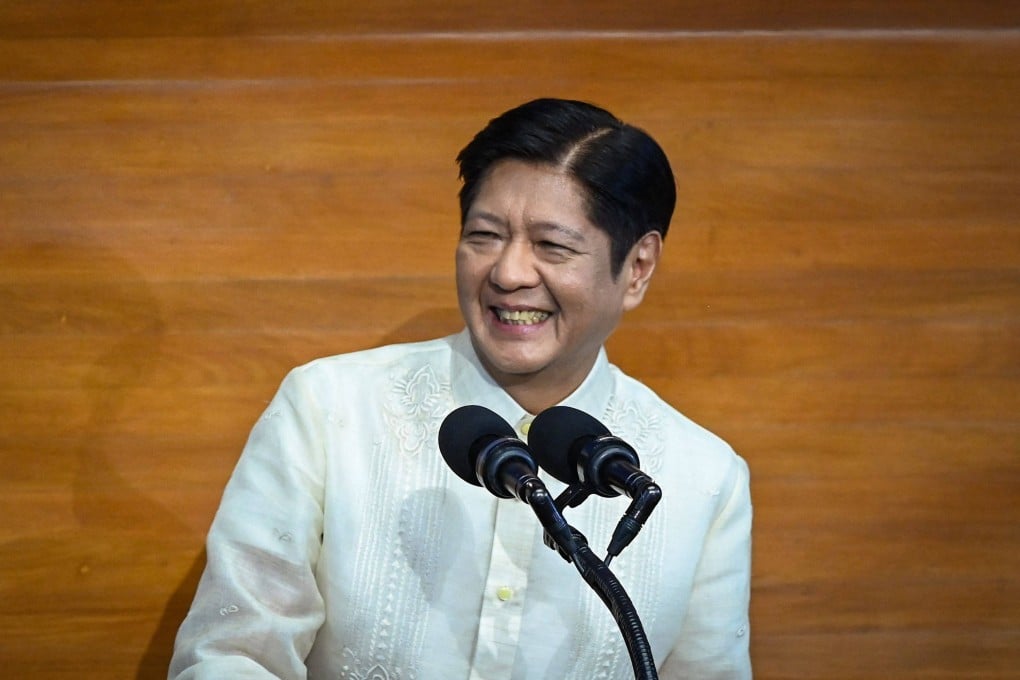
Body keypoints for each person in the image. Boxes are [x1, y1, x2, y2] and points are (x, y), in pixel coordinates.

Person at [169, 98, 752, 679]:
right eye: (485, 235)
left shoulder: (704, 479)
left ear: (638, 267)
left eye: (552, 246)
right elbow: (233, 655)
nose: (508, 273)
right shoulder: (329, 410)